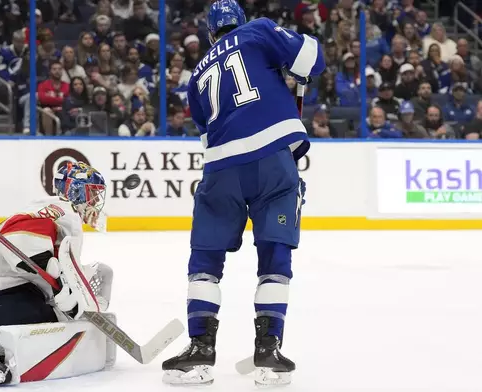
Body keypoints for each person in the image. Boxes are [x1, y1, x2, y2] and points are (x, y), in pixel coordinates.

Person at [161, 0, 324, 387]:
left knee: (204, 261)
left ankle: (199, 351)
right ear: (240, 22)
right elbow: (313, 59)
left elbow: (206, 135)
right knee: (274, 256)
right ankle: (268, 352)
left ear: (210, 32)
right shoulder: (259, 31)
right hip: (271, 160)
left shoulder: (197, 74)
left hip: (220, 168)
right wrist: (296, 68)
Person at [0, 162, 115, 385]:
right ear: (76, 191)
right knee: (46, 326)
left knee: (53, 318)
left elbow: (56, 266)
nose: (95, 201)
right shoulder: (61, 212)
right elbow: (18, 237)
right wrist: (53, 275)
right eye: (92, 193)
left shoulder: (60, 214)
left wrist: (66, 289)